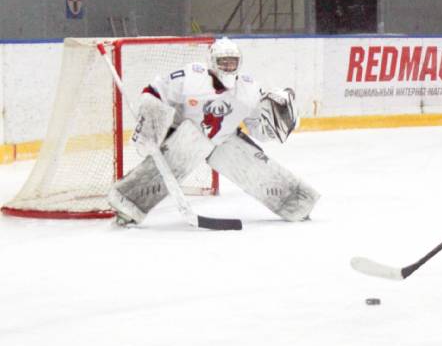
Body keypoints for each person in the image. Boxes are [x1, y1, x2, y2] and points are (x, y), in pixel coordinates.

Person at [108, 37, 319, 225]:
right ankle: (128, 204)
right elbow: (154, 92)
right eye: (223, 62)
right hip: (184, 136)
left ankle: (295, 203)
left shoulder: (248, 89)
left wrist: (279, 120)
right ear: (212, 62)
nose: (228, 66)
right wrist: (149, 128)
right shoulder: (191, 77)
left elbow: (257, 127)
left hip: (222, 139)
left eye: (232, 62)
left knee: (255, 165)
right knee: (180, 155)